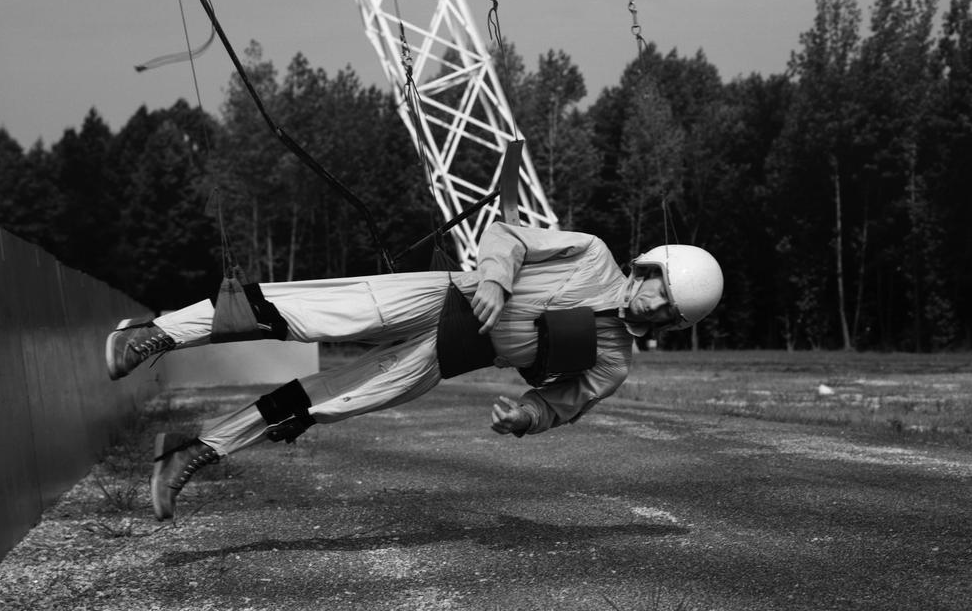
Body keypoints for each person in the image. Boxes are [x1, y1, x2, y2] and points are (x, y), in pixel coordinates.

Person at [105, 221, 723, 520]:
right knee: (298, 312)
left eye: (670, 309)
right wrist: (499, 280)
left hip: (447, 356)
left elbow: (562, 402)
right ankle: (158, 335)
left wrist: (524, 417)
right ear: (649, 268)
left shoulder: (613, 362)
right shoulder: (591, 254)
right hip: (441, 294)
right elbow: (507, 235)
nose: (658, 304)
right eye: (662, 288)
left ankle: (191, 453)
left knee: (322, 403)